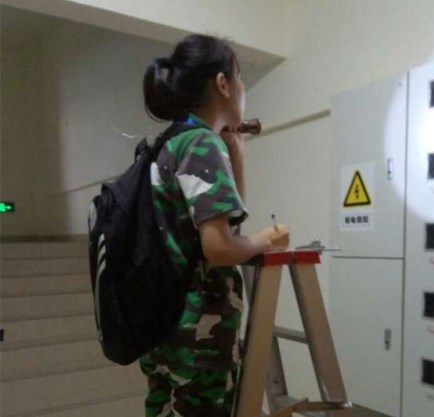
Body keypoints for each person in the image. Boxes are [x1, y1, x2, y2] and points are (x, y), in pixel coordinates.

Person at [139, 34, 290, 417]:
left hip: (160, 324)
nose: (242, 89)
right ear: (223, 84)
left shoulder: (168, 144)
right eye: (240, 78)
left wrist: (236, 152)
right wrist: (266, 239)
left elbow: (224, 223)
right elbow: (220, 248)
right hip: (199, 334)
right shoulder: (202, 144)